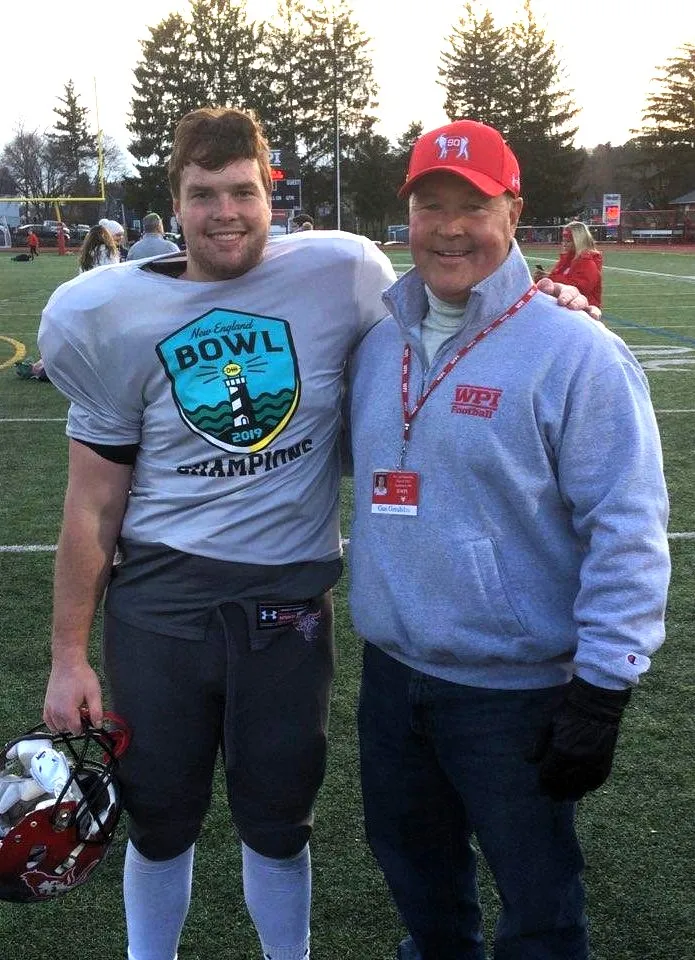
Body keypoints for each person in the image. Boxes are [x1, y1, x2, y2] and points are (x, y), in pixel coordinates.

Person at [37, 106, 396, 960]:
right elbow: (92, 503)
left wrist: (545, 296)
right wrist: (68, 656)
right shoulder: (109, 312)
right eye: (204, 194)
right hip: (162, 603)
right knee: (158, 817)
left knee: (280, 819)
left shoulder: (341, 272)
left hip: (286, 605)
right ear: (176, 199)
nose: (224, 212)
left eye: (242, 191)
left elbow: (441, 318)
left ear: (271, 191)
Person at [347, 119, 670, 960]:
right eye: (430, 206)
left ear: (513, 210)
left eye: (472, 206)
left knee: (539, 911)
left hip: (512, 694)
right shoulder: (378, 344)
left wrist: (602, 688)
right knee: (421, 895)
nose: (449, 227)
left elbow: (627, 528)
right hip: (391, 682)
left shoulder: (576, 352)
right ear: (406, 217)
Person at [534, 221, 603, 309]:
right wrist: (546, 277)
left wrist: (550, 280)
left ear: (579, 241)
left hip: (581, 312)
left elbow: (578, 289)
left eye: (568, 241)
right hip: (565, 308)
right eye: (564, 240)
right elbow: (564, 279)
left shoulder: (588, 263)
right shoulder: (567, 259)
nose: (564, 243)